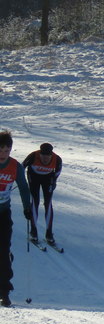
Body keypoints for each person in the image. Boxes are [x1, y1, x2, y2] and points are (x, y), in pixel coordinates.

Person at [0, 131, 33, 307]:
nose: (3, 154)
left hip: (3, 213)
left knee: (3, 252)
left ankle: (4, 291)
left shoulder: (15, 166)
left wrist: (27, 207)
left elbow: (23, 187)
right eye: (0, 150)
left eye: (7, 150)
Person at [23, 142, 62, 245]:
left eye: (48, 156)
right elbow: (22, 167)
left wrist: (54, 181)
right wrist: (21, 181)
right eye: (43, 156)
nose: (45, 159)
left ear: (51, 155)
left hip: (48, 178)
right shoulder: (33, 156)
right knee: (35, 201)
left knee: (48, 203)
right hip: (33, 176)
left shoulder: (57, 159)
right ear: (40, 154)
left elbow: (58, 172)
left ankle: (49, 233)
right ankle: (33, 231)